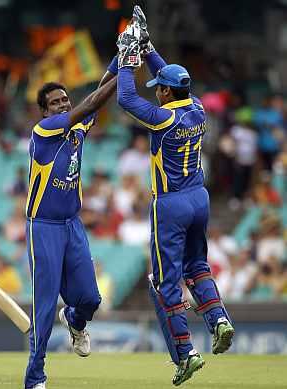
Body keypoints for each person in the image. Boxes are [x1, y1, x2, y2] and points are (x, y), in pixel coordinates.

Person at [114, 6, 235, 386]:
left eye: (160, 88)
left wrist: (128, 58)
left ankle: (185, 353)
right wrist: (148, 48)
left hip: (169, 203)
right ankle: (218, 320)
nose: (158, 92)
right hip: (200, 198)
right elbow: (170, 80)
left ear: (166, 91)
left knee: (166, 280)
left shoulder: (164, 117)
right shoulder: (197, 109)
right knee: (198, 265)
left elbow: (126, 98)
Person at [24, 71, 118, 388]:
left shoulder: (77, 126)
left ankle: (76, 321)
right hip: (44, 227)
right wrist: (126, 75)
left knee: (91, 299)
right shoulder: (44, 131)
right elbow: (94, 98)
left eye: (66, 99)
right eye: (55, 102)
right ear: (45, 112)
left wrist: (126, 51)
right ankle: (35, 378)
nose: (63, 105)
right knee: (45, 306)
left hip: (72, 225)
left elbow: (99, 88)